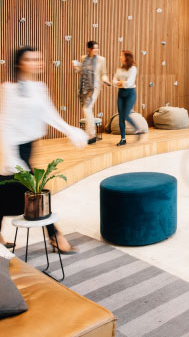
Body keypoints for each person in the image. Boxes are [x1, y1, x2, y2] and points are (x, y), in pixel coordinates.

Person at [0, 47, 88, 252]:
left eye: (38, 58)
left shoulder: (39, 87)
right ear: (20, 63)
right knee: (35, 194)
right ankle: (55, 235)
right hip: (11, 150)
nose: (36, 62)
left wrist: (71, 131)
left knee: (5, 194)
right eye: (30, 59)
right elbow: (3, 124)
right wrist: (10, 157)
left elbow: (50, 114)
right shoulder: (9, 89)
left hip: (29, 148)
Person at [73, 41, 110, 144]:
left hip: (95, 87)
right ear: (89, 49)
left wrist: (105, 80)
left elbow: (104, 73)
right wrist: (76, 67)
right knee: (87, 110)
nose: (97, 50)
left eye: (97, 48)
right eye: (94, 48)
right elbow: (81, 71)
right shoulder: (83, 58)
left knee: (87, 108)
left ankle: (91, 134)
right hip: (84, 88)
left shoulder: (101, 60)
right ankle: (90, 133)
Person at [113, 50, 144, 146]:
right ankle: (123, 139)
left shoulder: (133, 69)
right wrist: (121, 83)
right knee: (121, 117)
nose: (120, 57)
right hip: (121, 94)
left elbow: (129, 83)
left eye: (121, 55)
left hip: (130, 93)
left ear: (127, 57)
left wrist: (119, 83)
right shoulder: (119, 69)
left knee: (126, 114)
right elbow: (114, 81)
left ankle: (138, 129)